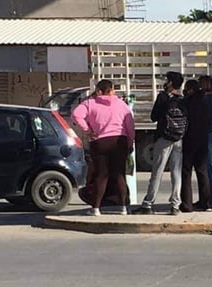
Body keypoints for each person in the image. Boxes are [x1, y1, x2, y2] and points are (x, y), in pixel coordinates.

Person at [71, 79, 135, 216]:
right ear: (111, 90)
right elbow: (130, 124)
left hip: (99, 141)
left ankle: (96, 208)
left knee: (101, 175)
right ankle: (123, 207)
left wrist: (88, 129)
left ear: (99, 91)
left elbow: (76, 115)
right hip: (119, 141)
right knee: (119, 175)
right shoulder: (121, 104)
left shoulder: (90, 103)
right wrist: (130, 142)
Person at [132, 71, 186, 216]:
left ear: (170, 83)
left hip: (164, 138)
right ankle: (175, 205)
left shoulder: (163, 97)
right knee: (176, 172)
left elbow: (153, 117)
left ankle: (148, 203)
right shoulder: (182, 98)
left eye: (167, 80)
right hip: (179, 138)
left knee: (157, 171)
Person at [180, 79, 212, 212]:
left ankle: (187, 204)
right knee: (202, 171)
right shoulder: (205, 102)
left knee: (186, 173)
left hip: (189, 140)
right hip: (202, 140)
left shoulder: (186, 102)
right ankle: (206, 203)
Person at [198, 75, 212, 210]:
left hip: (206, 135)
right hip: (211, 134)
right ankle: (206, 198)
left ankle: (208, 199)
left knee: (206, 169)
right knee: (206, 168)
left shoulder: (206, 100)